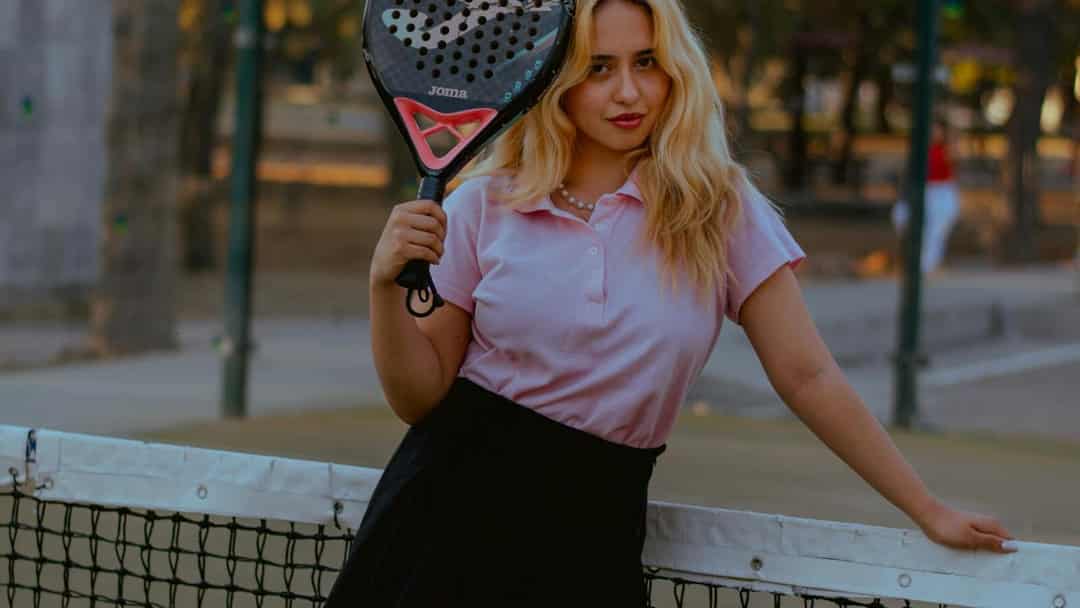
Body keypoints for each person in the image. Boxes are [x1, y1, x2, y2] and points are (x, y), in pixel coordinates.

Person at [325, 0, 1015, 605]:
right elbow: (420, 398)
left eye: (648, 62)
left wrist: (927, 510)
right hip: (439, 523)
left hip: (595, 538)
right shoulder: (483, 204)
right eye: (599, 68)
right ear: (552, 79)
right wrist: (385, 287)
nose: (629, 91)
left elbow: (809, 376)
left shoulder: (719, 208)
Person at [892, 119, 961, 274]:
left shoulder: (946, 149)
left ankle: (926, 266)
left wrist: (953, 139)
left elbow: (954, 159)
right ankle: (915, 260)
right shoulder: (919, 149)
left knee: (935, 230)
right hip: (922, 189)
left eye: (936, 130)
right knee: (902, 218)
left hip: (941, 191)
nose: (933, 133)